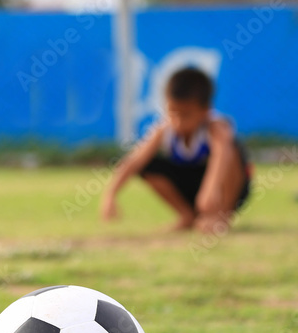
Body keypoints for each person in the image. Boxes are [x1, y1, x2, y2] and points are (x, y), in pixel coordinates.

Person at [100, 67, 251, 234]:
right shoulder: (164, 129)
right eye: (173, 113)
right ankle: (188, 216)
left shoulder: (216, 127)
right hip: (193, 188)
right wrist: (111, 195)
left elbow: (222, 155)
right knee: (148, 165)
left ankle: (222, 216)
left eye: (186, 115)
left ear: (205, 110)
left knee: (232, 150)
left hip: (225, 190)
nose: (178, 122)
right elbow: (135, 160)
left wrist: (211, 188)